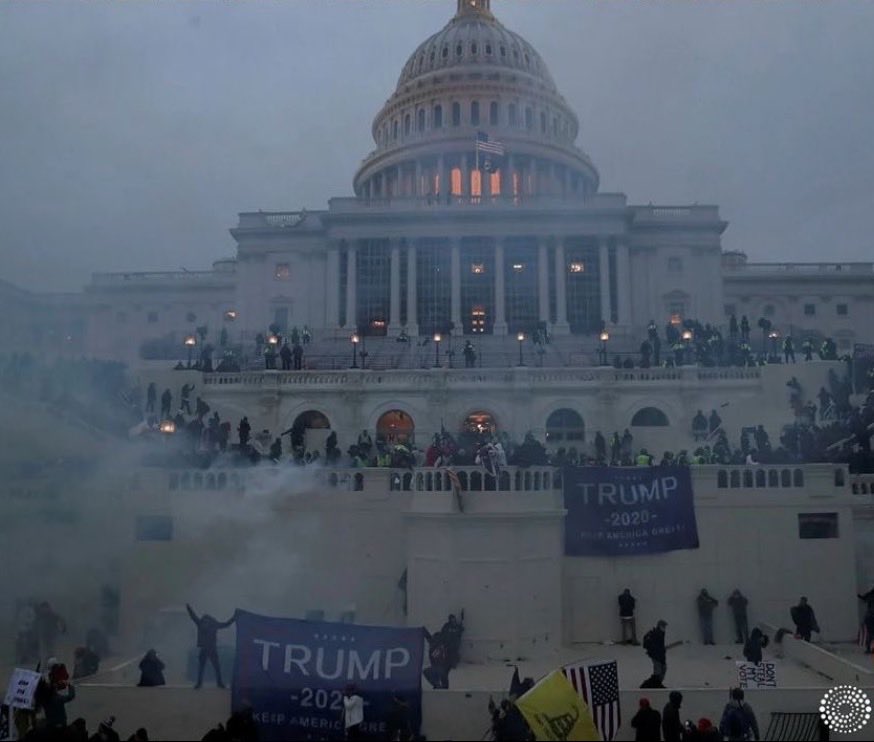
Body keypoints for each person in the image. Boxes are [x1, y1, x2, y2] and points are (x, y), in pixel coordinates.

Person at [186, 603, 236, 688]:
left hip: (206, 648)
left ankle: (200, 683)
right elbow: (226, 624)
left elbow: (193, 616)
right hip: (211, 648)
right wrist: (234, 617)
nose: (206, 623)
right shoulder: (213, 624)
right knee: (215, 667)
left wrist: (188, 608)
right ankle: (217, 683)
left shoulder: (201, 623)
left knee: (203, 667)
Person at [643, 620, 668, 686]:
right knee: (658, 669)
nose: (664, 627)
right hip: (656, 655)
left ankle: (658, 682)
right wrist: (658, 650)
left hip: (660, 655)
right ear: (660, 626)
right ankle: (656, 683)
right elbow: (654, 645)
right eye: (663, 626)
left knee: (663, 668)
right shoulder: (656, 633)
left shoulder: (661, 632)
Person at [859, 587, 874, 653]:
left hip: (869, 616)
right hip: (871, 616)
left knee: (870, 633)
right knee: (871, 633)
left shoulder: (870, 595)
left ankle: (868, 648)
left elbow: (864, 598)